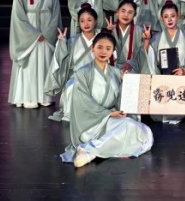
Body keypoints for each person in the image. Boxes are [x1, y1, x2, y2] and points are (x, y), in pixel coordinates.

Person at [60, 31, 154, 168]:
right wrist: (108, 114)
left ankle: (89, 151)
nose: (103, 51)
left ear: (113, 51)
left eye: (108, 48)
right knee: (127, 129)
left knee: (144, 132)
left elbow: (120, 102)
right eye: (99, 47)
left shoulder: (115, 72)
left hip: (110, 119)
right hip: (90, 123)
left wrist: (125, 84)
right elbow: (82, 102)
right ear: (92, 48)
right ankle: (90, 149)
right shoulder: (82, 73)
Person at [9, 0, 62, 109]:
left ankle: (45, 96)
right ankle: (28, 97)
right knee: (30, 66)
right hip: (29, 33)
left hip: (47, 31)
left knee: (45, 65)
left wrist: (47, 32)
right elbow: (18, 15)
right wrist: (33, 34)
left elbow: (56, 13)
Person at [45, 3, 100, 121]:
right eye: (82, 21)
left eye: (89, 20)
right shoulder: (73, 41)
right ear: (78, 23)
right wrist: (61, 44)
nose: (86, 23)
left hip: (97, 75)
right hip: (77, 76)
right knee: (71, 86)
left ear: (96, 21)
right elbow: (63, 60)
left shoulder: (101, 39)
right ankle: (71, 115)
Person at [146, 0, 185, 124]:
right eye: (166, 16)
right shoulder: (156, 39)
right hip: (163, 80)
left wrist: (184, 70)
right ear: (161, 19)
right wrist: (158, 77)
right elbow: (150, 61)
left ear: (178, 16)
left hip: (181, 80)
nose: (170, 19)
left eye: (172, 16)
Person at [109, 0, 150, 75]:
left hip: (132, 68)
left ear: (134, 14)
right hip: (113, 69)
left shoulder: (140, 31)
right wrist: (107, 32)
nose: (126, 15)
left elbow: (142, 55)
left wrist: (147, 40)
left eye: (130, 12)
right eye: (123, 11)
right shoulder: (111, 30)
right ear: (117, 12)